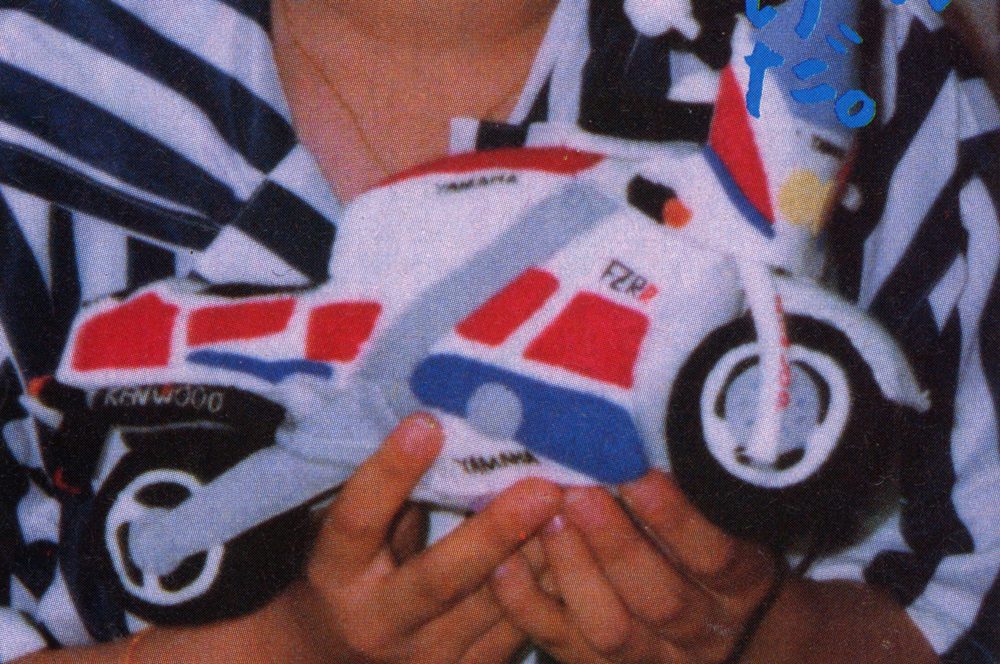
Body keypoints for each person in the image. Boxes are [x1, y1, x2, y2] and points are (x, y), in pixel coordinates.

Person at [0, 0, 996, 662]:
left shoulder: (860, 68)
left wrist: (762, 634)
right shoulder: (39, 87)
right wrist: (279, 647)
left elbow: (960, 599)